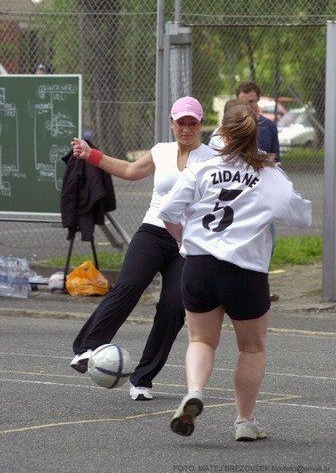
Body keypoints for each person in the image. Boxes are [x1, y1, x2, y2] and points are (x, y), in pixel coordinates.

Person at [158, 104, 312, 441]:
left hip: (199, 266)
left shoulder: (202, 169)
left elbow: (168, 210)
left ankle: (195, 391)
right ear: (256, 136)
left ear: (222, 135)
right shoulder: (270, 175)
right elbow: (302, 218)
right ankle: (244, 420)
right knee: (252, 348)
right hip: (245, 272)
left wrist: (185, 241)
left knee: (201, 340)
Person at [69, 96, 215, 401]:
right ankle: (87, 348)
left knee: (174, 307)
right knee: (129, 286)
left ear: (201, 124)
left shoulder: (212, 157)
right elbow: (129, 170)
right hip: (154, 231)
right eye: (181, 122)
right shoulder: (161, 151)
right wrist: (91, 154)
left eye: (193, 122)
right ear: (172, 123)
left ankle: (143, 378)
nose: (186, 128)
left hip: (189, 243)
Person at [209, 83, 281, 301]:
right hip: (234, 198)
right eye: (244, 102)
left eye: (252, 102)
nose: (248, 106)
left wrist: (268, 166)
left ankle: (260, 285)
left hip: (259, 196)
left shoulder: (268, 126)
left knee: (269, 239)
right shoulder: (217, 139)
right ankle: (230, 288)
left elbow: (274, 158)